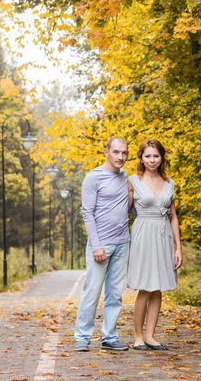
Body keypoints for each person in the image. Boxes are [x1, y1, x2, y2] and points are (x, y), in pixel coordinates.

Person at [74, 137, 131, 352]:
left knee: (115, 294)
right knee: (92, 291)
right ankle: (82, 337)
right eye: (116, 152)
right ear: (106, 151)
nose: (120, 157)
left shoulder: (126, 177)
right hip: (101, 245)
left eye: (124, 153)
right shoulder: (93, 178)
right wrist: (97, 245)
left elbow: (130, 207)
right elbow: (87, 212)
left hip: (123, 243)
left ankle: (109, 337)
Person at [127, 139, 183, 351]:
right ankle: (138, 336)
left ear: (162, 158)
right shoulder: (132, 181)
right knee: (145, 287)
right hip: (143, 234)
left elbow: (173, 217)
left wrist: (178, 247)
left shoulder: (170, 183)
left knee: (158, 287)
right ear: (141, 158)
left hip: (164, 235)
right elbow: (123, 210)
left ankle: (151, 335)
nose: (152, 160)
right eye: (148, 156)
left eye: (156, 156)